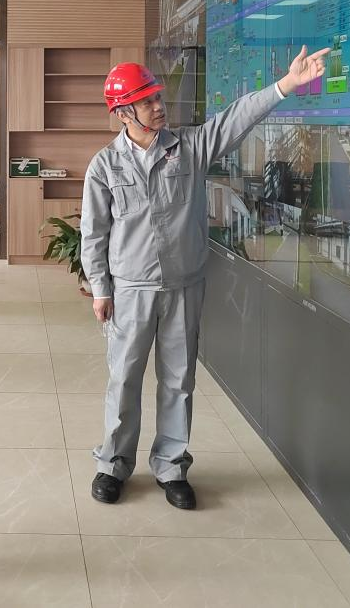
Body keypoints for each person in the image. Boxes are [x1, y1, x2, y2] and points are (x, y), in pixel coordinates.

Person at [81, 47, 329, 511]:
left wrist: (285, 86)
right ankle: (113, 464)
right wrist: (100, 289)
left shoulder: (189, 148)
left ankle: (171, 466)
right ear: (123, 112)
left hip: (183, 284)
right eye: (147, 101)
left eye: (158, 97)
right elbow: (93, 233)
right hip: (131, 289)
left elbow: (236, 119)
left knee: (179, 379)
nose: (159, 106)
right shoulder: (104, 166)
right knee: (124, 378)